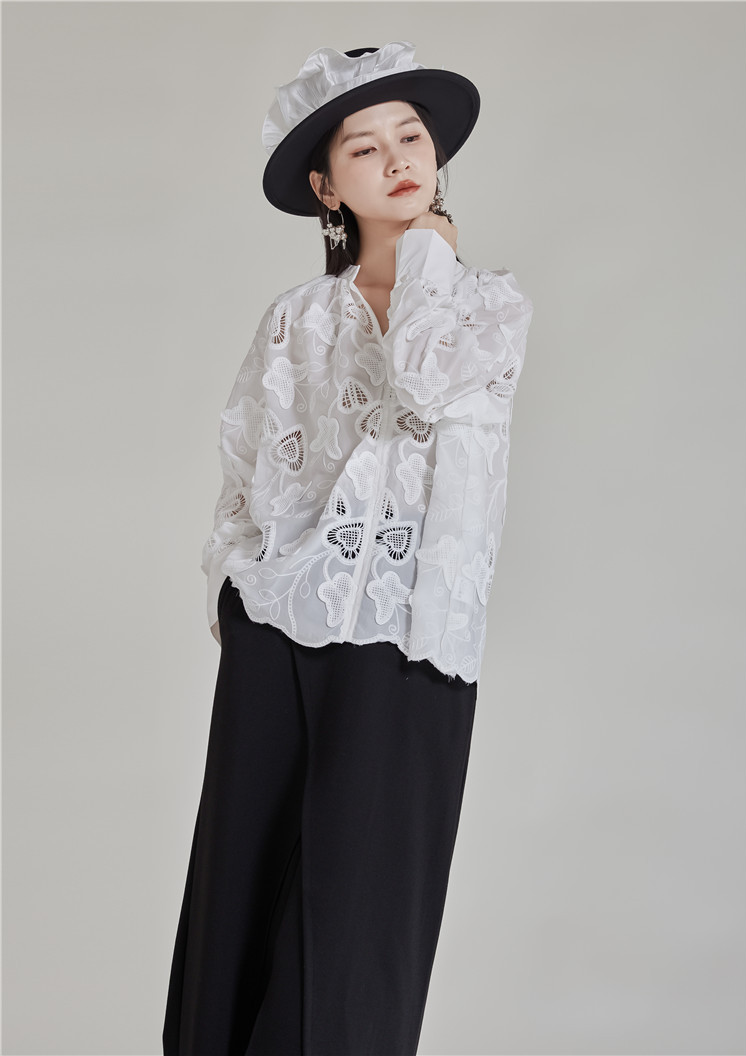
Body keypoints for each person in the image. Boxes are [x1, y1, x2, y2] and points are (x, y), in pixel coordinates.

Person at [162, 40, 534, 1056]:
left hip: (410, 641)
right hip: (280, 625)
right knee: (237, 905)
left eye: (411, 137)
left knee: (362, 930)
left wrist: (429, 257)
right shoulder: (295, 320)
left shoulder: (489, 307)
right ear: (328, 187)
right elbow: (243, 468)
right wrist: (235, 595)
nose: (399, 158)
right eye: (364, 148)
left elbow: (420, 376)